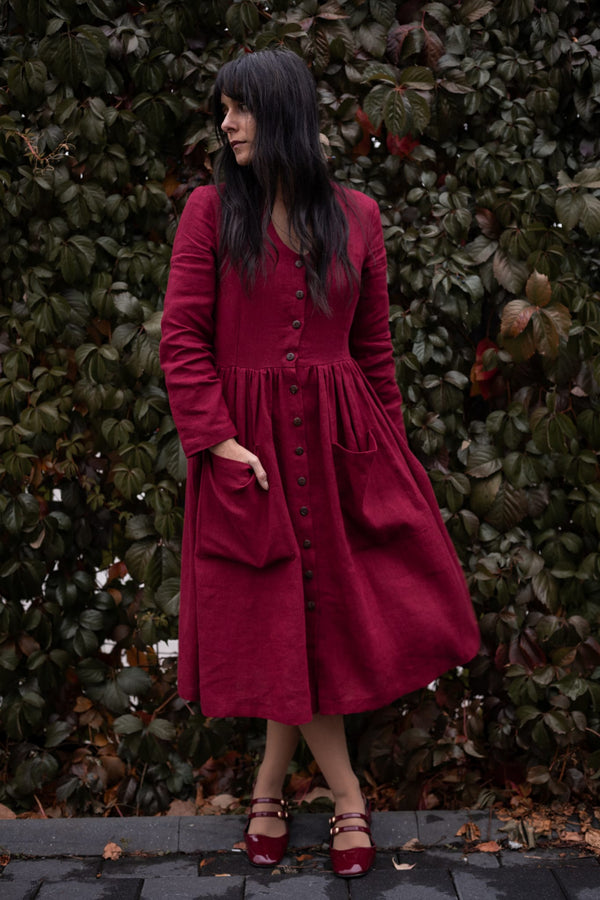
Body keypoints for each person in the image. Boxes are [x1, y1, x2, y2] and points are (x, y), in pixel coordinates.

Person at [159, 48, 480, 879]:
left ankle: (269, 788)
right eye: (223, 108)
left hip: (342, 448)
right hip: (250, 454)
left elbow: (374, 353)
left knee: (310, 624)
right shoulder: (208, 212)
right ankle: (347, 796)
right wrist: (218, 441)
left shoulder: (359, 217)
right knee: (280, 616)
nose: (226, 123)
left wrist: (393, 458)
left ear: (282, 113)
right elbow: (182, 339)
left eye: (240, 108)